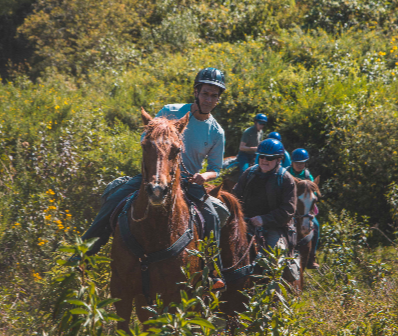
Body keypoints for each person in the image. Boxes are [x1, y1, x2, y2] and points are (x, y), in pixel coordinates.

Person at [80, 67, 227, 289]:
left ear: (218, 100)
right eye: (205, 93)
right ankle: (85, 252)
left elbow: (216, 167)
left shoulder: (216, 132)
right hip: (154, 176)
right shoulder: (171, 111)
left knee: (212, 215)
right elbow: (147, 139)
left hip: (187, 183)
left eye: (214, 96)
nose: (208, 99)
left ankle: (211, 271)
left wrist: (203, 175)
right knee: (114, 198)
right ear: (196, 92)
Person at [232, 139, 296, 251]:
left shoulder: (286, 179)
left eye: (270, 158)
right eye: (262, 156)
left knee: (274, 257)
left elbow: (288, 210)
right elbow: (235, 196)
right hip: (245, 222)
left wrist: (263, 219)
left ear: (279, 160)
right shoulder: (249, 173)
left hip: (274, 227)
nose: (264, 160)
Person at [288, 148, 320, 269]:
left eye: (302, 163)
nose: (299, 165)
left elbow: (314, 192)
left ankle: (312, 257)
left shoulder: (307, 175)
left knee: (316, 226)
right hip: (290, 206)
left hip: (304, 209)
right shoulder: (287, 173)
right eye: (297, 163)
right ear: (292, 162)